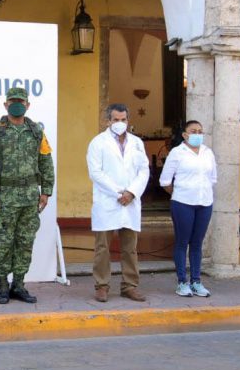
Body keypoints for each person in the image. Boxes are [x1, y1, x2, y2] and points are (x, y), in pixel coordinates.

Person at [0, 86, 55, 304]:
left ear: (28, 105)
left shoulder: (37, 131)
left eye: (21, 101)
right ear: (6, 104)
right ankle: (2, 285)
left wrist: (46, 191)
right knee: (4, 241)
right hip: (5, 198)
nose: (17, 104)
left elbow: (46, 161)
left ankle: (18, 284)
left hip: (30, 197)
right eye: (13, 101)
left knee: (25, 241)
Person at [86, 103, 150, 303]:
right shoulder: (98, 142)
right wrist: (117, 193)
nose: (120, 123)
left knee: (130, 248)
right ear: (108, 121)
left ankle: (129, 286)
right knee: (103, 247)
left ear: (128, 120)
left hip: (130, 201)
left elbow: (144, 170)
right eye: (116, 120)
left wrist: (131, 192)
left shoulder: (137, 143)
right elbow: (95, 172)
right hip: (108, 200)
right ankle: (102, 286)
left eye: (123, 120)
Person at [159, 120, 217, 297]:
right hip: (183, 203)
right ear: (184, 134)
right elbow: (165, 181)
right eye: (193, 131)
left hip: (204, 203)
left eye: (200, 131)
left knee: (197, 243)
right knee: (182, 242)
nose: (197, 134)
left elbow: (213, 178)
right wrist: (179, 193)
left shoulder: (208, 152)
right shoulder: (177, 153)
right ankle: (182, 281)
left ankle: (196, 281)